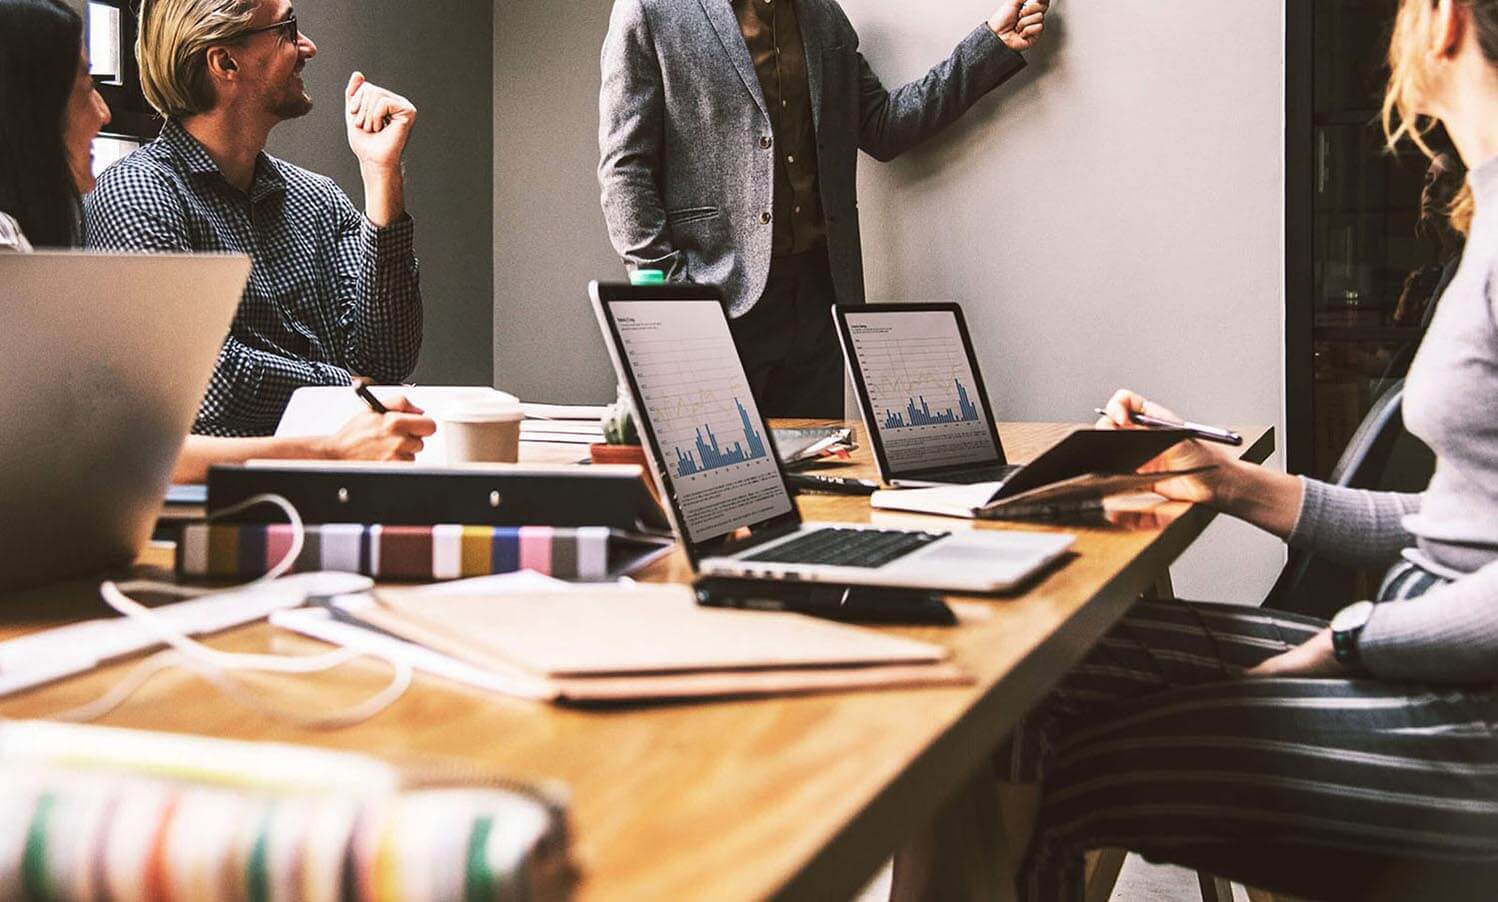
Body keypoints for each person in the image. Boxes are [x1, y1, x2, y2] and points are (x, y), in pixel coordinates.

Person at [903, 2, 1498, 898]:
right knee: (1006, 669)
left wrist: (1348, 644)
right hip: (1430, 664)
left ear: (1444, 21)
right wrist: (1223, 481)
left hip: (1461, 715)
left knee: (1071, 767)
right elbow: (1463, 529)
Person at [0, 0, 433, 483]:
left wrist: (382, 177)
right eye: (289, 29)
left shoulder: (319, 198)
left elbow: (388, 361)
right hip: (220, 500)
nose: (308, 47)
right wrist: (349, 390)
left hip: (340, 482)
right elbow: (203, 382)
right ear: (225, 62)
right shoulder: (138, 193)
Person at [599, 0, 1049, 418]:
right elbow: (625, 169)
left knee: (817, 485)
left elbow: (883, 126)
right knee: (723, 488)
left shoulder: (822, 14)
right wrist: (676, 294)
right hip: (716, 299)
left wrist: (990, 44)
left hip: (819, 300)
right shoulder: (650, 10)